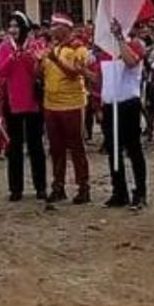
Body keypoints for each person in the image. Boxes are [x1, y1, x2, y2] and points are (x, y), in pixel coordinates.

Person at [39, 13, 91, 204]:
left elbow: (75, 73)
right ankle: (58, 186)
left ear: (65, 28)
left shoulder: (78, 48)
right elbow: (40, 75)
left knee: (76, 147)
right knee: (56, 148)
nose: (51, 29)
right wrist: (39, 62)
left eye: (54, 26)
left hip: (72, 103)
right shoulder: (52, 49)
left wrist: (55, 59)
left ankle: (83, 187)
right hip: (50, 104)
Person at [0, 12, 47, 201]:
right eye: (10, 26)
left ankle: (40, 187)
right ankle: (15, 189)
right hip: (13, 101)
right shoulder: (4, 47)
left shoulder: (35, 45)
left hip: (33, 102)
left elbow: (37, 73)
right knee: (14, 147)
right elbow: (1, 71)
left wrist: (26, 56)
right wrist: (12, 57)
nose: (13, 30)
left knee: (36, 146)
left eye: (16, 26)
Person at [99, 20, 147, 209]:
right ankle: (119, 191)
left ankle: (140, 192)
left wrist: (120, 38)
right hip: (110, 105)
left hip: (128, 104)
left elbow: (130, 61)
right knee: (113, 150)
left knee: (133, 149)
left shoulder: (134, 45)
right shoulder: (105, 51)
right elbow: (102, 79)